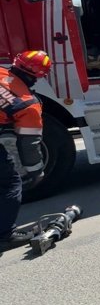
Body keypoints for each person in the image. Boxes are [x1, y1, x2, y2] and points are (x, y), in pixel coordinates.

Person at [1, 50, 51, 245]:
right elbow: (29, 145)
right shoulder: (27, 105)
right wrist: (36, 172)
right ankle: (5, 234)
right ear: (38, 76)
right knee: (10, 184)